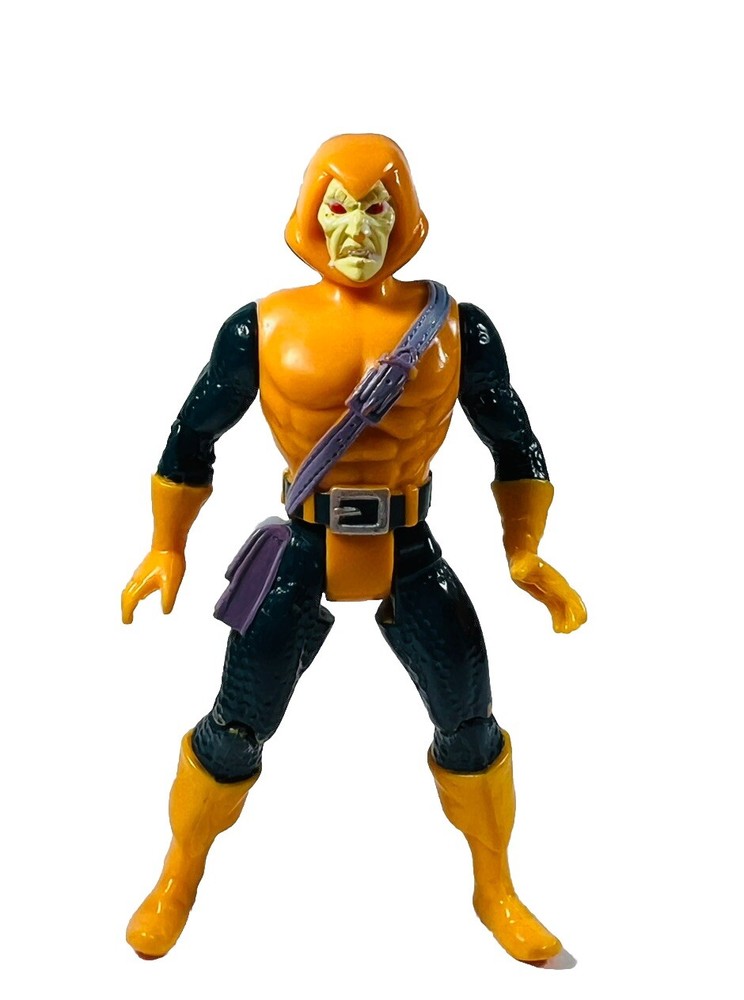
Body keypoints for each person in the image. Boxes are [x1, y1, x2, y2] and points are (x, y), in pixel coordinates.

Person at [122, 133, 586, 963]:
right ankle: (177, 878)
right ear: (311, 217)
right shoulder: (263, 325)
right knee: (235, 724)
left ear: (405, 219)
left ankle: (496, 887)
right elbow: (193, 434)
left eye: (377, 208)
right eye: (340, 208)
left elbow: (514, 440)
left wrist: (525, 552)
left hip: (411, 543)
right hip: (304, 540)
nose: (358, 228)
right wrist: (167, 545)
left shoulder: (456, 328)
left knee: (471, 721)